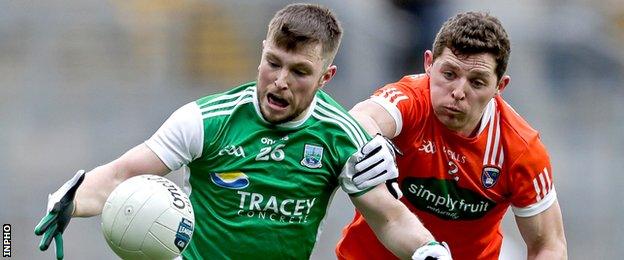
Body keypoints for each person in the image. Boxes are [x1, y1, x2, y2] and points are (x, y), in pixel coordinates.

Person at [34, 3, 452, 260]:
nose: (280, 80)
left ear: (327, 76)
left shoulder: (341, 135)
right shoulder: (206, 119)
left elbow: (389, 217)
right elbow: (122, 176)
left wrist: (427, 249)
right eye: (273, 62)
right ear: (261, 55)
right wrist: (68, 200)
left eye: (300, 71)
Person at [336, 11, 567, 260]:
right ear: (428, 64)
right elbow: (363, 118)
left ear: (500, 86)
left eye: (477, 82)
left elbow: (549, 246)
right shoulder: (410, 98)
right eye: (449, 74)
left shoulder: (522, 150)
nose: (458, 92)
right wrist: (371, 139)